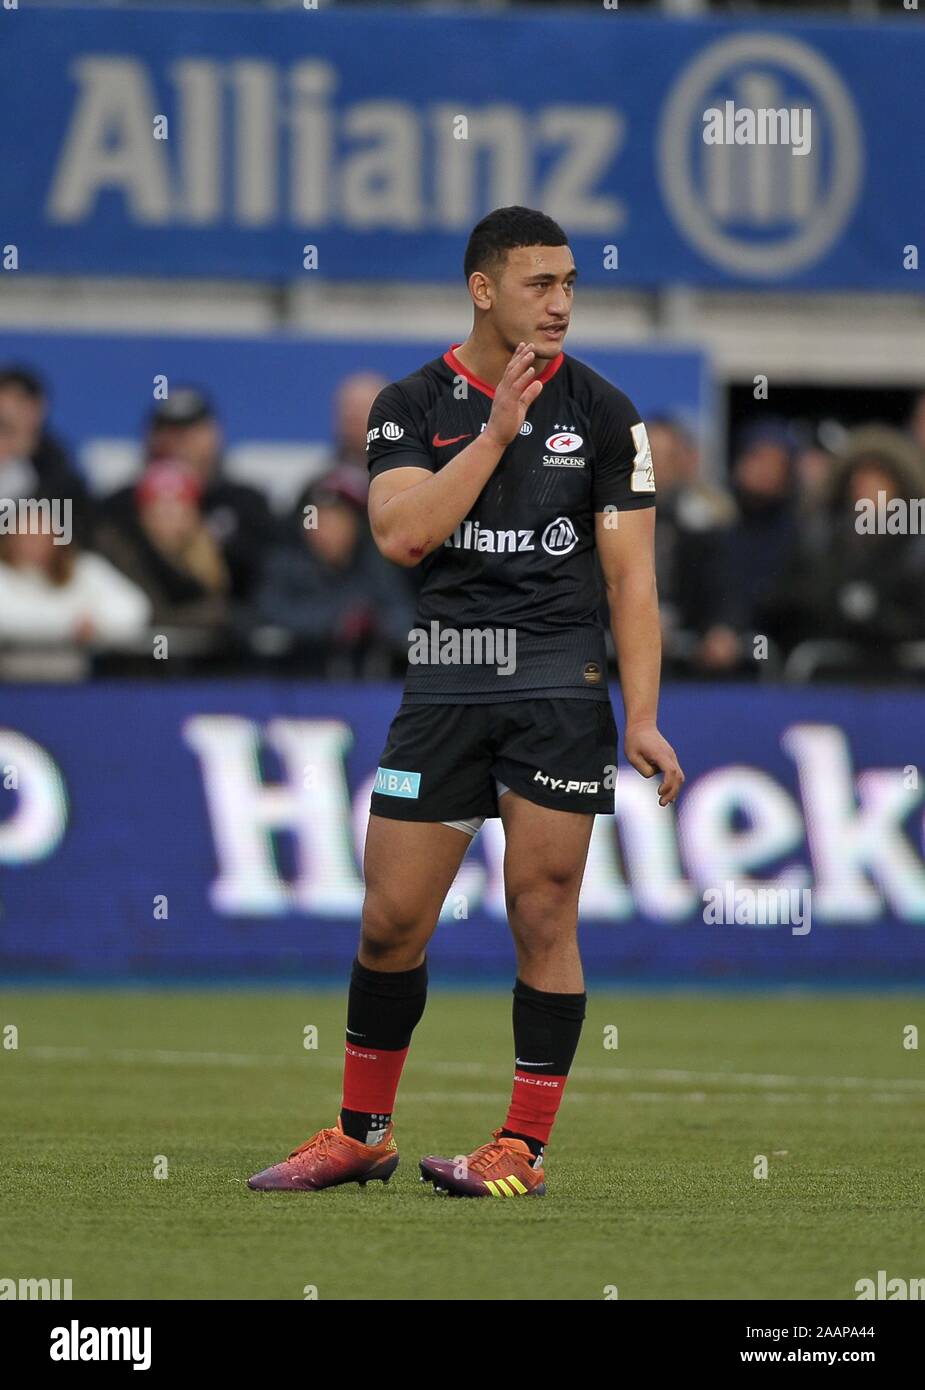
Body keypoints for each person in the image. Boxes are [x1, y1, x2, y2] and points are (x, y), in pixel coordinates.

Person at [248, 206, 684, 1199]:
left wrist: (645, 715)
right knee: (392, 921)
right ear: (483, 289)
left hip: (556, 685)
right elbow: (402, 535)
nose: (562, 302)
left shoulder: (609, 415)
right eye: (541, 283)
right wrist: (492, 437)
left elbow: (632, 582)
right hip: (446, 676)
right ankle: (362, 1133)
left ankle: (520, 1148)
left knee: (544, 909)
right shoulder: (410, 404)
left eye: (570, 282)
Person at [101, 389, 275, 602]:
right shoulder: (120, 507)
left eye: (191, 432)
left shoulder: (245, 504)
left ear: (214, 434)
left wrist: (199, 542)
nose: (180, 443)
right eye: (168, 432)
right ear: (150, 438)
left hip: (228, 628)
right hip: (136, 627)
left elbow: (264, 578)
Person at [249, 466, 414, 669]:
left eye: (337, 519)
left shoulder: (375, 563)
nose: (325, 530)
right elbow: (267, 613)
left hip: (364, 681)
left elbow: (403, 615)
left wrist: (374, 624)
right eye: (317, 520)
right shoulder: (285, 563)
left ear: (356, 525)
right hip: (297, 680)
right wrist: (337, 621)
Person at [94, 459, 230, 629]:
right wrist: (213, 615)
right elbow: (148, 616)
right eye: (160, 509)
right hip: (144, 652)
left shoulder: (207, 560)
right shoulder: (126, 555)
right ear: (142, 515)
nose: (170, 519)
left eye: (179, 509)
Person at [0, 518, 151, 648]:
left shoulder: (86, 569)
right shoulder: (3, 573)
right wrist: (70, 624)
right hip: (11, 676)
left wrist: (98, 624)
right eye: (25, 536)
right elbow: (6, 618)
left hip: (74, 677)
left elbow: (135, 609)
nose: (33, 543)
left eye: (41, 535)